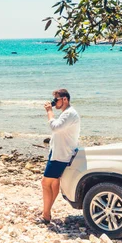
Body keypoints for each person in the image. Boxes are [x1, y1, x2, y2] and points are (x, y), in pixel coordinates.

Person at [39, 88, 81, 224]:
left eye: (56, 100)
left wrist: (49, 111)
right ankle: (47, 211)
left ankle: (46, 215)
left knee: (45, 183)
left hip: (61, 155)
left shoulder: (69, 113)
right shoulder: (67, 113)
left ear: (65, 99)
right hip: (58, 152)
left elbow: (55, 127)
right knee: (54, 182)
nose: (54, 102)